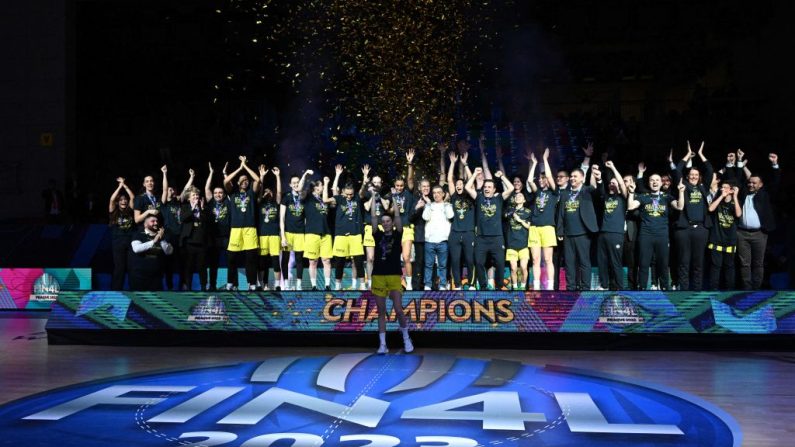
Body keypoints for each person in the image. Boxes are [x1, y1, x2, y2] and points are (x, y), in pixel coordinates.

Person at [369, 191, 413, 354]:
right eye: (384, 221)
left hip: (394, 276)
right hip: (378, 276)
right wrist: (374, 200)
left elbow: (399, 218)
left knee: (398, 309)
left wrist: (394, 199)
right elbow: (373, 217)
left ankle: (407, 338)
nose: (386, 223)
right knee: (381, 312)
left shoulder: (398, 233)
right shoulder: (377, 234)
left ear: (392, 223)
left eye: (388, 221)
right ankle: (382, 345)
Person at [628, 175, 686, 290]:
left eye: (657, 180)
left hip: (662, 235)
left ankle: (665, 288)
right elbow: (630, 207)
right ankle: (642, 289)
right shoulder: (643, 197)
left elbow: (679, 207)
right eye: (652, 180)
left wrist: (681, 192)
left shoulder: (667, 197)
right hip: (646, 235)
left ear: (661, 183)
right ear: (649, 183)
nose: (654, 182)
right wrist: (631, 193)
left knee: (663, 264)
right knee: (644, 264)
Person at [673, 142, 713, 291]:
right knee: (684, 262)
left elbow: (709, 169)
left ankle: (697, 291)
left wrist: (701, 154)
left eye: (696, 175)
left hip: (701, 229)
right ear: (687, 177)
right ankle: (683, 291)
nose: (694, 177)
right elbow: (677, 170)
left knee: (698, 262)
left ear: (699, 177)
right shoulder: (684, 185)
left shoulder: (703, 187)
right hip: (684, 228)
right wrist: (687, 155)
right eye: (691, 175)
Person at [465, 167, 514, 290]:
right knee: (479, 263)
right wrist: (475, 174)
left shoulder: (499, 198)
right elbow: (467, 188)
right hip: (481, 238)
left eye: (489, 187)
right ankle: (483, 287)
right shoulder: (479, 198)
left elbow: (511, 188)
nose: (486, 189)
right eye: (485, 187)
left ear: (494, 189)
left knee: (500, 264)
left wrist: (502, 176)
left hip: (497, 238)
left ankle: (499, 287)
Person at [737, 153, 780, 289]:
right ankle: (747, 288)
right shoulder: (743, 192)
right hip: (742, 234)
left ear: (760, 185)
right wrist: (740, 163)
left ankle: (756, 289)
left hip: (759, 234)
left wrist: (775, 165)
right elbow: (738, 179)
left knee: (758, 263)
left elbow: (776, 182)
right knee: (744, 263)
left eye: (754, 183)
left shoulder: (764, 194)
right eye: (749, 182)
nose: (750, 184)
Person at [556, 167, 599, 291]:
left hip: (583, 233)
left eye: (575, 176)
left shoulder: (587, 191)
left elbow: (596, 189)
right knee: (569, 263)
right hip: (568, 234)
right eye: (572, 176)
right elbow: (560, 214)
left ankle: (585, 288)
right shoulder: (565, 194)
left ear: (582, 178)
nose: (573, 178)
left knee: (584, 262)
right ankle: (571, 288)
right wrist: (560, 230)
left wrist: (596, 176)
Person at [223, 156, 261, 291]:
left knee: (250, 258)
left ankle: (252, 283)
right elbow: (226, 180)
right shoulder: (232, 193)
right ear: (238, 183)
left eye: (246, 180)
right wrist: (239, 168)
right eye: (242, 180)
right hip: (236, 229)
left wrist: (245, 166)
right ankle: (230, 282)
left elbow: (257, 179)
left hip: (250, 228)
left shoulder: (252, 192)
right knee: (232, 257)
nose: (245, 181)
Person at [327, 165, 366, 290]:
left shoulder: (357, 198)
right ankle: (338, 285)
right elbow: (332, 191)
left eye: (351, 194)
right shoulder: (339, 199)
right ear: (343, 191)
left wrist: (365, 179)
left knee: (358, 261)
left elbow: (363, 190)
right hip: (341, 234)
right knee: (339, 262)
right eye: (347, 194)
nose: (349, 196)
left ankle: (362, 285)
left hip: (355, 234)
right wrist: (337, 174)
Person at [526, 149, 559, 290]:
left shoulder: (553, 192)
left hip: (547, 228)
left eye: (542, 178)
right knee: (535, 259)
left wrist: (545, 159)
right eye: (539, 179)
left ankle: (550, 287)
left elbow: (550, 177)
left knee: (547, 259)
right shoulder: (537, 192)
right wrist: (533, 163)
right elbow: (528, 180)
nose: (540, 180)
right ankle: (537, 286)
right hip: (534, 228)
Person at [594, 161, 628, 290]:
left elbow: (622, 184)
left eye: (615, 183)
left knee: (615, 262)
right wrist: (598, 177)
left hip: (616, 234)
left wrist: (613, 167)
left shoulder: (622, 198)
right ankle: (603, 285)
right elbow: (599, 185)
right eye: (611, 183)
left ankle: (619, 287)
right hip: (603, 233)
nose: (612, 184)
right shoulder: (605, 197)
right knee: (602, 262)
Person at [446, 151, 476, 290]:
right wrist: (452, 163)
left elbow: (472, 180)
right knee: (455, 260)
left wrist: (465, 165)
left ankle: (471, 284)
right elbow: (449, 180)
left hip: (469, 232)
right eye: (457, 184)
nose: (458, 186)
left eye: (461, 184)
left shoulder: (470, 196)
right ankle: (457, 285)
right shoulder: (453, 197)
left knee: (470, 260)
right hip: (455, 233)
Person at [280, 169, 312, 290]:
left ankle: (299, 284)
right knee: (285, 259)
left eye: (297, 182)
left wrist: (304, 176)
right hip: (288, 232)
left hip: (300, 233)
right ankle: (286, 282)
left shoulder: (303, 196)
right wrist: (283, 236)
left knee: (299, 259)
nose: (295, 184)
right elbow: (281, 218)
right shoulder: (286, 197)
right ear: (289, 184)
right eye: (293, 182)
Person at [707, 181, 742, 289]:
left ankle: (729, 291)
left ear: (731, 190)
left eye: (725, 188)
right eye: (721, 188)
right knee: (715, 267)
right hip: (716, 239)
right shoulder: (718, 201)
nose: (722, 189)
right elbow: (710, 209)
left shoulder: (735, 202)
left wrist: (735, 197)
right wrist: (721, 196)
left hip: (730, 240)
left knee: (729, 267)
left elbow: (738, 214)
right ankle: (713, 290)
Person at [129, 214, 174, 291]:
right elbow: (136, 249)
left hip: (156, 277)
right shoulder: (138, 234)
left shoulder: (163, 236)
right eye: (152, 221)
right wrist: (153, 241)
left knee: (155, 302)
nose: (156, 223)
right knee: (139, 301)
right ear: (145, 224)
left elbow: (169, 251)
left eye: (157, 221)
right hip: (140, 276)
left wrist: (161, 239)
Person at [204, 162, 231, 291]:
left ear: (224, 194)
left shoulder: (228, 202)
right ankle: (213, 285)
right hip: (213, 237)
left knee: (231, 261)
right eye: (216, 193)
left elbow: (228, 186)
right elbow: (206, 189)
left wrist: (225, 174)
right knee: (213, 263)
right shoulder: (210, 202)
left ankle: (232, 284)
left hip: (226, 236)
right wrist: (211, 173)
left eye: (220, 193)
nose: (218, 195)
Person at [304, 177, 334, 290]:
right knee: (313, 261)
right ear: (316, 187)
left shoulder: (324, 200)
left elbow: (326, 198)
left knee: (327, 260)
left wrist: (326, 183)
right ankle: (314, 285)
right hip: (312, 233)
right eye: (321, 185)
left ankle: (327, 285)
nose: (323, 187)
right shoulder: (308, 198)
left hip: (326, 233)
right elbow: (302, 190)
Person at [422, 185, 454, 290]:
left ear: (443, 194)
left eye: (439, 192)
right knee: (428, 265)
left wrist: (446, 204)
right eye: (434, 192)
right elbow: (425, 217)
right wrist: (428, 205)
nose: (436, 194)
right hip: (429, 240)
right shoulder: (429, 205)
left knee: (442, 265)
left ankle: (442, 285)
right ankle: (427, 285)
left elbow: (450, 216)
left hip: (443, 240)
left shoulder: (448, 205)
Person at [179, 186, 210, 290]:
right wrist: (192, 209)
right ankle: (188, 287)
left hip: (201, 242)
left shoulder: (203, 208)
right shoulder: (185, 207)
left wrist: (202, 209)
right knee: (188, 267)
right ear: (189, 198)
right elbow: (183, 218)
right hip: (189, 242)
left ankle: (203, 287)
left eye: (197, 195)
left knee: (202, 267)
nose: (196, 197)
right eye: (193, 195)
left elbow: (206, 222)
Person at [108, 177, 136, 290]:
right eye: (121, 200)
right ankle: (116, 290)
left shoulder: (130, 210)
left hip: (130, 242)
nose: (124, 201)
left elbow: (133, 197)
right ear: (118, 202)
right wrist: (119, 186)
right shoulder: (114, 211)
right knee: (119, 268)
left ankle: (133, 290)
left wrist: (125, 186)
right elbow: (111, 199)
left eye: (125, 200)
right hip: (118, 242)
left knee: (131, 267)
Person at [257, 166, 282, 290]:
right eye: (266, 192)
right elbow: (259, 191)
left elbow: (279, 192)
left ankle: (277, 284)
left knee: (275, 260)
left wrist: (277, 176)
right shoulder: (260, 203)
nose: (268, 193)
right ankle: (262, 284)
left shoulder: (275, 204)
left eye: (269, 191)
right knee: (262, 262)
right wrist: (261, 176)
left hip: (274, 235)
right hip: (262, 235)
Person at [505, 191, 531, 290]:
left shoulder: (528, 212)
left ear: (524, 200)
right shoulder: (510, 210)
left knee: (524, 267)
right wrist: (510, 213)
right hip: (511, 244)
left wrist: (519, 220)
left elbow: (529, 226)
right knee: (513, 268)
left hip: (523, 244)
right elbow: (504, 217)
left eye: (520, 196)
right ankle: (515, 288)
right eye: (516, 196)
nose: (518, 197)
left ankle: (523, 287)